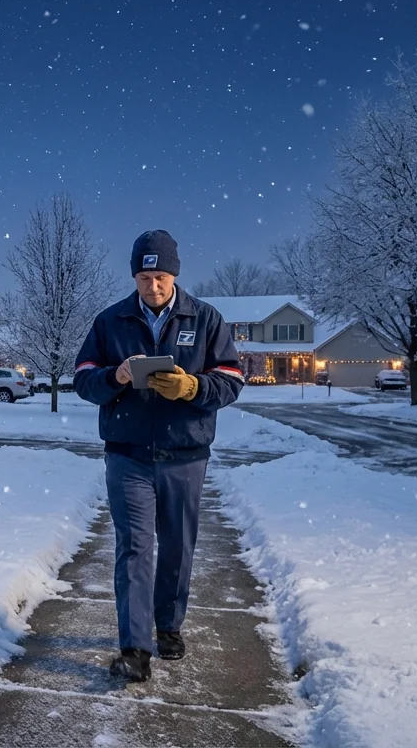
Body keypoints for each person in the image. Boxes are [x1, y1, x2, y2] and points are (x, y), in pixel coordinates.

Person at [72, 230, 244, 683]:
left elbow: (231, 379)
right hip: (127, 455)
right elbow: (84, 379)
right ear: (134, 276)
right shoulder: (110, 321)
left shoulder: (205, 319)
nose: (153, 286)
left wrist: (193, 387)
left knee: (177, 546)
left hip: (185, 454)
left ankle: (168, 626)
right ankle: (134, 648)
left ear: (175, 274)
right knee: (134, 548)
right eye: (145, 277)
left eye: (161, 276)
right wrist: (117, 376)